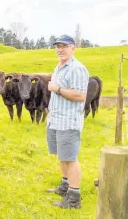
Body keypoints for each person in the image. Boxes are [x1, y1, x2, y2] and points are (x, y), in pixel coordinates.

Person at [45, 34, 89, 209]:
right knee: (62, 156)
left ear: (73, 48)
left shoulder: (76, 68)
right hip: (55, 120)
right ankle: (65, 186)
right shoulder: (59, 67)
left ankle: (74, 197)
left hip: (68, 122)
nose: (60, 49)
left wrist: (57, 89)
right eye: (58, 46)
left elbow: (80, 96)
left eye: (64, 46)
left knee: (70, 158)